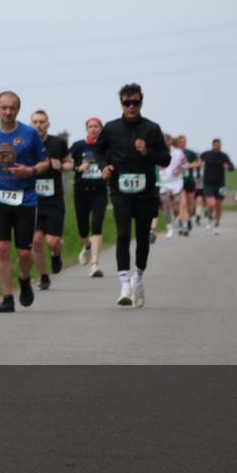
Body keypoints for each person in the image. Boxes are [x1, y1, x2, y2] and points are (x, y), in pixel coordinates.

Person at [95, 83, 171, 308]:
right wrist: (103, 166)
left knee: (142, 236)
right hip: (120, 191)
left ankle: (138, 276)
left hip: (146, 193)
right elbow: (98, 150)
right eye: (126, 102)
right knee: (123, 234)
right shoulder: (111, 128)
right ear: (121, 103)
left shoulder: (152, 129)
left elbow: (165, 159)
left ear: (141, 102)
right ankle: (124, 284)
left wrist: (148, 152)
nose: (131, 106)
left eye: (135, 102)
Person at [0, 92, 48, 313]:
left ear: (18, 109)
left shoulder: (30, 134)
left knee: (24, 253)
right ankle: (7, 297)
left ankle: (24, 279)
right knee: (2, 247)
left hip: (26, 199)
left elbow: (45, 163)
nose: (8, 112)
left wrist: (30, 170)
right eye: (3, 108)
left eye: (12, 108)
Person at [29, 109, 73, 289]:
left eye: (42, 122)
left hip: (54, 199)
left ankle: (56, 254)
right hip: (32, 199)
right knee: (36, 240)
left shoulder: (58, 143)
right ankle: (44, 276)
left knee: (52, 241)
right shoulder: (26, 144)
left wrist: (61, 165)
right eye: (35, 122)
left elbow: (70, 164)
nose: (38, 125)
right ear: (30, 124)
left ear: (48, 124)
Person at [69, 117, 108, 277]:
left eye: (96, 126)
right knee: (83, 229)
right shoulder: (78, 146)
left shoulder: (107, 145)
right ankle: (87, 246)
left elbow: (114, 161)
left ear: (101, 129)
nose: (93, 129)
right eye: (90, 126)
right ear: (86, 129)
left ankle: (94, 265)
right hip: (81, 191)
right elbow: (68, 163)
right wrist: (78, 167)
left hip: (99, 191)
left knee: (97, 225)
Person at [199, 138, 235, 235]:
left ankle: (217, 225)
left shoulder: (224, 156)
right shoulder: (206, 154)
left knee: (219, 205)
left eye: (219, 145)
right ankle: (209, 216)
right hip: (208, 184)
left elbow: (232, 167)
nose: (217, 147)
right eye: (215, 145)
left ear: (221, 146)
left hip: (220, 185)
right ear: (212, 145)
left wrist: (228, 167)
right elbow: (198, 161)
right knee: (211, 204)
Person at [158, 133, 188, 239]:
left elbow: (185, 164)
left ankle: (177, 221)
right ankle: (169, 227)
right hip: (163, 182)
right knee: (165, 203)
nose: (166, 142)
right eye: (164, 140)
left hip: (176, 183)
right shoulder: (157, 152)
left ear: (171, 141)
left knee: (176, 204)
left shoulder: (178, 152)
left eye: (168, 140)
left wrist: (178, 169)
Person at [177, 135, 200, 232]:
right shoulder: (175, 153)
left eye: (184, 141)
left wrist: (189, 165)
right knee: (183, 203)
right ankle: (182, 221)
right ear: (178, 143)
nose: (182, 143)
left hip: (189, 181)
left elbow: (199, 163)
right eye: (181, 141)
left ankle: (189, 219)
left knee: (190, 204)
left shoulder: (190, 153)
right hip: (179, 181)